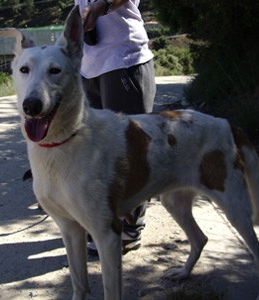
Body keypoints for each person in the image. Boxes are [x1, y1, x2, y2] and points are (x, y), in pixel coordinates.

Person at [74, 0, 156, 254]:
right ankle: (107, 221)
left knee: (131, 149)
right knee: (97, 151)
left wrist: (103, 7)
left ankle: (131, 227)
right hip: (89, 67)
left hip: (124, 59)